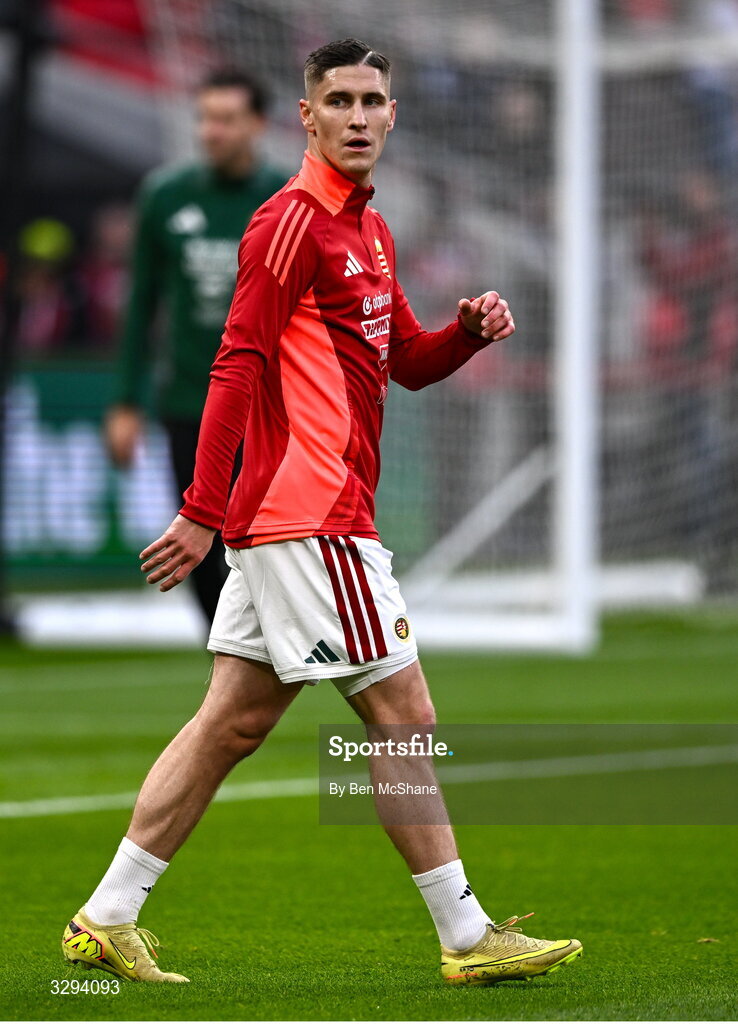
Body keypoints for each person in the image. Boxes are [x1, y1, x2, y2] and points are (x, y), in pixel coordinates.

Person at [63, 38, 582, 987]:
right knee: (402, 712)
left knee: (232, 722)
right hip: (311, 513)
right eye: (336, 99)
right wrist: (198, 510)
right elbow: (237, 363)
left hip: (299, 518)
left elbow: (406, 364)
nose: (354, 115)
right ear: (306, 117)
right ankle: (466, 935)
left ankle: (105, 916)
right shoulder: (292, 222)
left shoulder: (369, 233)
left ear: (391, 116)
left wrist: (463, 335)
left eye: (370, 100)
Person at [105, 67, 288, 624]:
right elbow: (142, 304)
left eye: (227, 119)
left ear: (257, 124)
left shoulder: (286, 197)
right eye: (206, 118)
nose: (212, 131)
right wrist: (125, 401)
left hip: (268, 407)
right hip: (189, 400)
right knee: (195, 541)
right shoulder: (165, 195)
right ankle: (226, 658)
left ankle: (265, 661)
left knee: (267, 544)